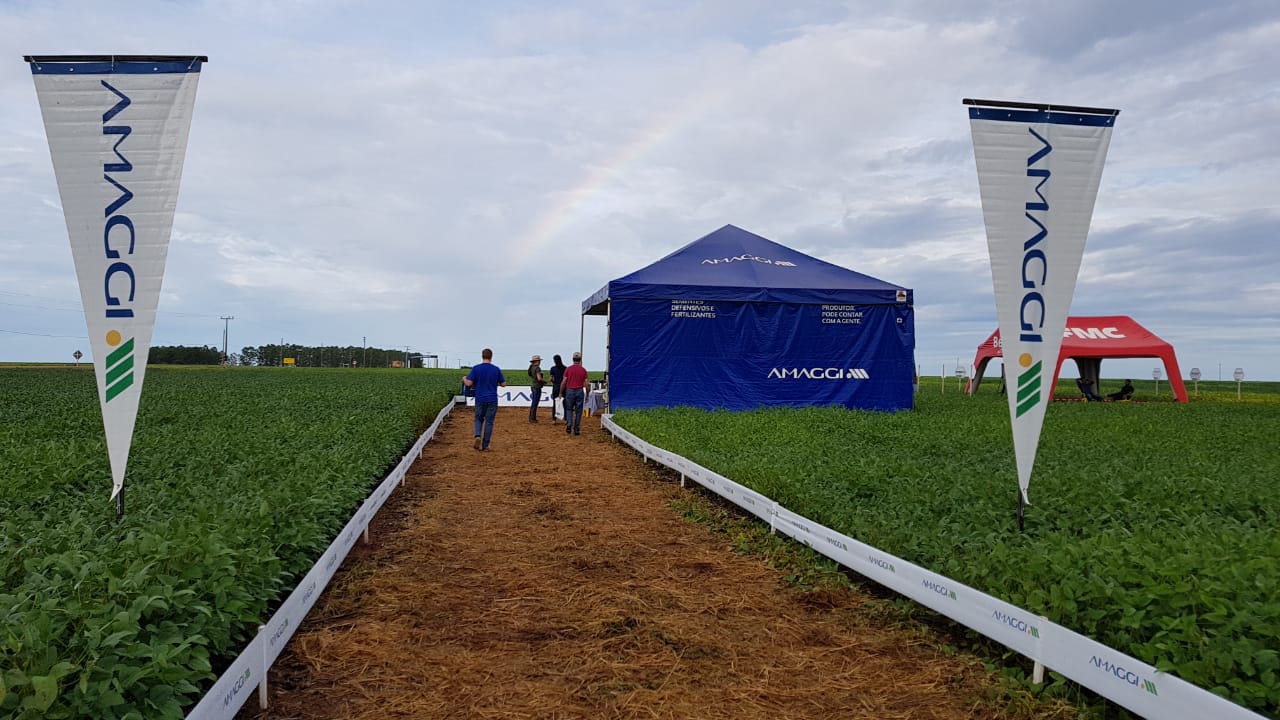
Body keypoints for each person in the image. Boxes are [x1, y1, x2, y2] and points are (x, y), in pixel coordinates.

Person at [462, 348, 505, 450]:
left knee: (478, 419)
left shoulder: (476, 369)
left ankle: (477, 435)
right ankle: (485, 445)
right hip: (492, 399)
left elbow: (468, 383)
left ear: (482, 356)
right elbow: (503, 384)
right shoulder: (496, 369)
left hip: (480, 398)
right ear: (491, 356)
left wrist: (464, 378)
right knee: (489, 422)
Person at [561, 351, 589, 436]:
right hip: (579, 391)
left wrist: (560, 392)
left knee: (569, 409)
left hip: (570, 391)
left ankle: (569, 423)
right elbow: (587, 383)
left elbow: (564, 382)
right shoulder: (583, 370)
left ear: (573, 359)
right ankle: (576, 429)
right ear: (580, 360)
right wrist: (587, 393)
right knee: (579, 411)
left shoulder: (568, 369)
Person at [527, 354, 546, 423]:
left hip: (533, 385)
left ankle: (531, 417)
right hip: (537, 386)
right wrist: (544, 381)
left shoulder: (531, 367)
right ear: (537, 361)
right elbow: (539, 378)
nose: (540, 362)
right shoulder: (537, 368)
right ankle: (532, 418)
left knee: (533, 402)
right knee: (535, 403)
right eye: (539, 360)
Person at [548, 354, 567, 422]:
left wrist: (554, 382)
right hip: (564, 387)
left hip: (556, 387)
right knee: (565, 403)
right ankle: (565, 419)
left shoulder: (553, 369)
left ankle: (554, 419)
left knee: (555, 403)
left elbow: (551, 379)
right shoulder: (565, 368)